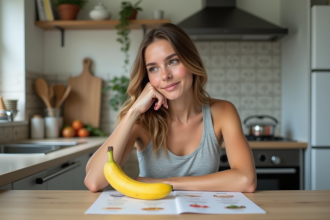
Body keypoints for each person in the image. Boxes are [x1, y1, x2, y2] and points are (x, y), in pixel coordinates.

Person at [84, 23, 257, 193]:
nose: (165, 75)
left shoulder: (222, 112)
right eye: (153, 69)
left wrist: (167, 182)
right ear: (147, 77)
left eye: (173, 61)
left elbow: (246, 180)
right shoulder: (141, 121)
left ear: (191, 61)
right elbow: (94, 182)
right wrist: (133, 111)